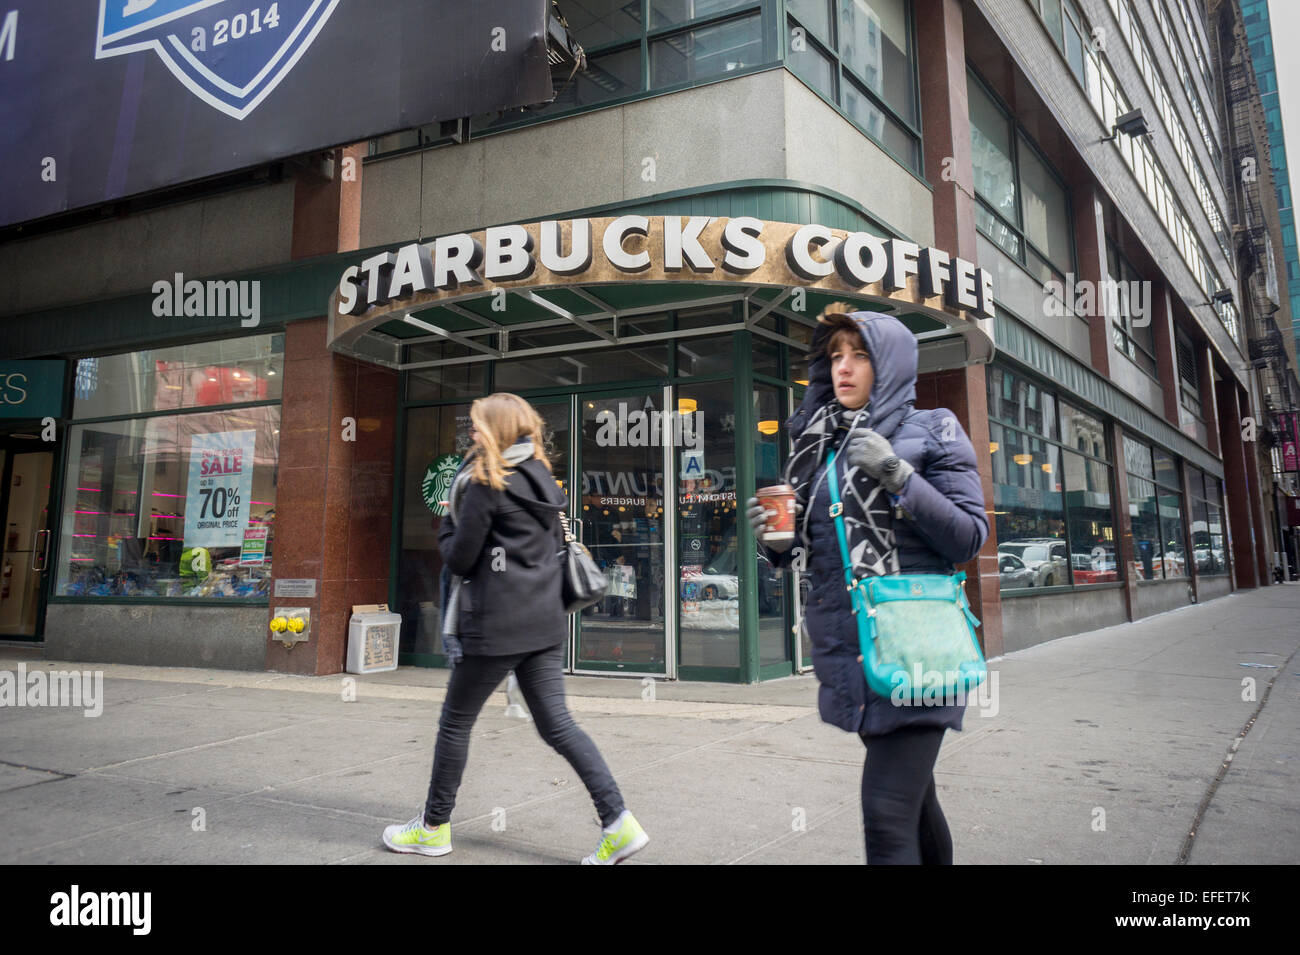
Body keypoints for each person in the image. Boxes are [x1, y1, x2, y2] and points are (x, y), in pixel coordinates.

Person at [747, 304, 988, 864]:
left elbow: (967, 539)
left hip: (916, 650)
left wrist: (898, 475)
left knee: (885, 816)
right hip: (854, 655)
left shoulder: (934, 430)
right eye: (835, 356)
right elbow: (815, 548)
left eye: (860, 355)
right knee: (915, 806)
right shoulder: (816, 445)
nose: (844, 368)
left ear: (891, 364)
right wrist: (776, 545)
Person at [384, 392, 649, 864]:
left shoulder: (488, 482)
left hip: (495, 626)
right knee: (560, 726)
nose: (471, 432)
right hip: (544, 624)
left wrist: (446, 523)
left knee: (455, 723)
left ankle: (432, 828)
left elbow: (462, 558)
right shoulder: (543, 478)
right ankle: (618, 822)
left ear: (497, 430)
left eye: (477, 425)